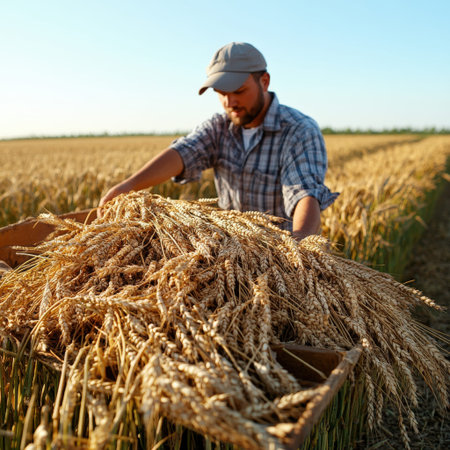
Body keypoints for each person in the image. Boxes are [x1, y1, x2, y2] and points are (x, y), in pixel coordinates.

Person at [99, 42, 338, 240]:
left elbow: (304, 194)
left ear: (264, 82)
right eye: (221, 93)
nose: (229, 101)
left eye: (239, 91)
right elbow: (184, 153)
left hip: (279, 255)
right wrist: (128, 186)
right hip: (231, 255)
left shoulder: (298, 130)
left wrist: (299, 254)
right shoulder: (218, 127)